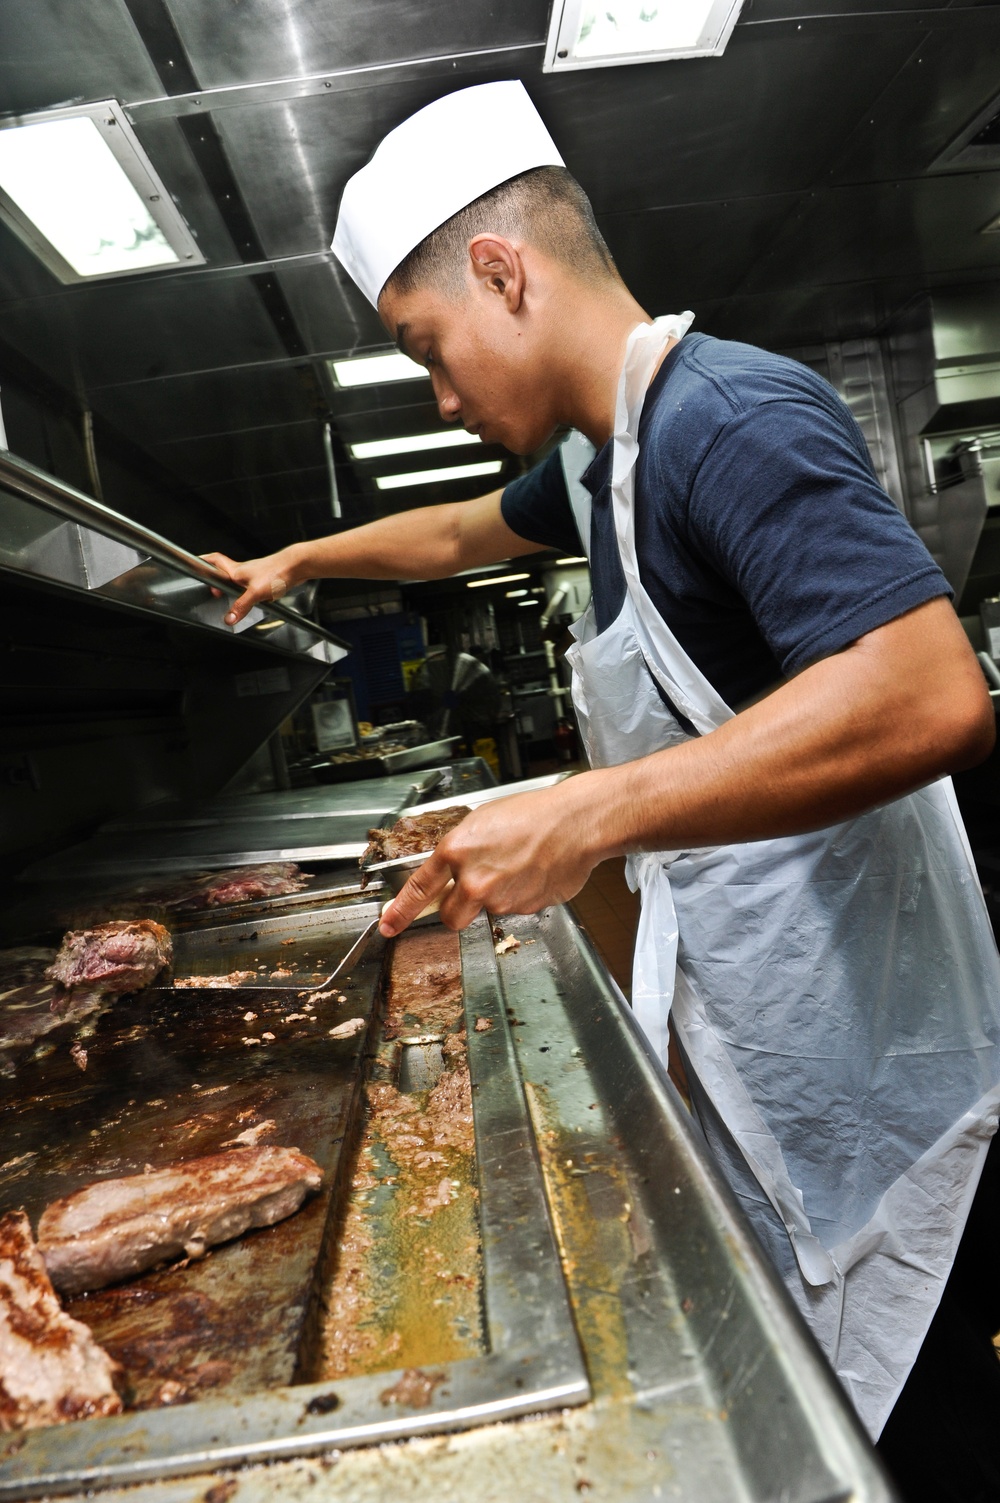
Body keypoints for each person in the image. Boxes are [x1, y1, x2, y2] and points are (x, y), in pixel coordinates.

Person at [204, 81, 1000, 1497]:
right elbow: (454, 531)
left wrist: (581, 811)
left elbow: (933, 691)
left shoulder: (728, 415)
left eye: (429, 350)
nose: (440, 396)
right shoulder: (600, 461)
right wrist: (299, 563)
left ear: (502, 273)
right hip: (791, 1059)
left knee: (922, 1441)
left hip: (893, 1104)